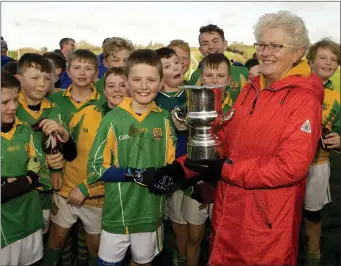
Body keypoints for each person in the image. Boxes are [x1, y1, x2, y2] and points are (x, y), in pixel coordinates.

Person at [148, 10, 324, 266]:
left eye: (276, 46)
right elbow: (224, 140)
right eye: (262, 44)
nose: (266, 52)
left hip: (266, 226)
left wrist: (226, 170)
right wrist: (179, 169)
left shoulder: (304, 99)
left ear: (297, 52)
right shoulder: (252, 88)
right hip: (229, 213)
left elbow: (290, 167)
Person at [86, 49, 176, 266]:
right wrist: (135, 174)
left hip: (150, 215)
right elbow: (95, 168)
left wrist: (170, 177)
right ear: (126, 81)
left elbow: (170, 164)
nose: (144, 86)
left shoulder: (164, 119)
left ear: (161, 82)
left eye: (151, 80)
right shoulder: (112, 120)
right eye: (137, 79)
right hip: (118, 215)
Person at [44, 49, 103, 266]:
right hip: (64, 183)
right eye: (77, 67)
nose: (82, 72)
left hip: (94, 185)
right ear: (67, 70)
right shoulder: (55, 98)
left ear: (96, 73)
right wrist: (54, 170)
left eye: (88, 68)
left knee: (94, 246)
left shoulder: (104, 101)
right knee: (57, 240)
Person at [15, 53, 76, 236]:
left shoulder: (56, 111)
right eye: (34, 77)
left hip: (45, 191)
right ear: (18, 79)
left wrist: (56, 169)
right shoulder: (10, 109)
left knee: (39, 237)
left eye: (47, 78)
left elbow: (67, 152)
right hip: (16, 192)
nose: (42, 83)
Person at [180, 52, 232, 266]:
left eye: (221, 75)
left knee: (223, 237)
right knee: (195, 235)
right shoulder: (191, 102)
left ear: (229, 79)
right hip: (196, 179)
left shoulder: (236, 106)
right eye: (209, 75)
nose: (214, 80)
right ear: (200, 77)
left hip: (226, 179)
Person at [1, 69, 48, 265]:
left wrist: (15, 182)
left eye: (15, 100)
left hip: (30, 220)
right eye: (4, 102)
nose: (13, 107)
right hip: (5, 230)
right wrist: (27, 179)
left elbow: (38, 171)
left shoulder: (25, 131)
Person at [304, 38, 341, 266]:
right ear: (311, 60)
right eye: (323, 57)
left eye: (334, 60)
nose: (328, 63)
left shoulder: (336, 98)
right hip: (286, 163)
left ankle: (313, 258)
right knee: (282, 216)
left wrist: (338, 140)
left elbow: (338, 132)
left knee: (312, 216)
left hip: (317, 165)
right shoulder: (297, 86)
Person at [154, 47, 188, 266]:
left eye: (176, 62)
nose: (176, 67)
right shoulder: (153, 99)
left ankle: (182, 256)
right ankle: (152, 255)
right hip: (158, 166)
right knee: (155, 218)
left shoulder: (193, 94)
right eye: (167, 66)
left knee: (179, 219)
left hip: (185, 166)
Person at [188, 24, 248, 102]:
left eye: (215, 41)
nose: (211, 46)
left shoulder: (243, 72)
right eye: (205, 43)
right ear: (200, 50)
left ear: (225, 44)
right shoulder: (196, 76)